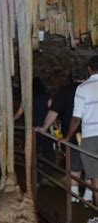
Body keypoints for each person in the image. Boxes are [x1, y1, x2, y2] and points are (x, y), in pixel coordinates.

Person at [37, 67, 86, 202]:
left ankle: (74, 198)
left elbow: (54, 111)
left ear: (72, 77)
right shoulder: (92, 89)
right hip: (92, 132)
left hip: (72, 134)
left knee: (74, 166)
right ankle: (88, 197)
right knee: (91, 167)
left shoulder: (65, 91)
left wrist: (44, 127)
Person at [61, 56, 98, 223]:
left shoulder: (83, 88)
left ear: (89, 69)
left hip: (91, 136)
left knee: (95, 176)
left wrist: (67, 137)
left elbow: (77, 117)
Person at [14, 77, 54, 178]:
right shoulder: (47, 97)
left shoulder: (26, 98)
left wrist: (10, 121)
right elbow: (52, 111)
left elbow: (19, 113)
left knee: (31, 151)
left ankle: (32, 173)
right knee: (48, 153)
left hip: (31, 129)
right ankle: (46, 174)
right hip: (44, 128)